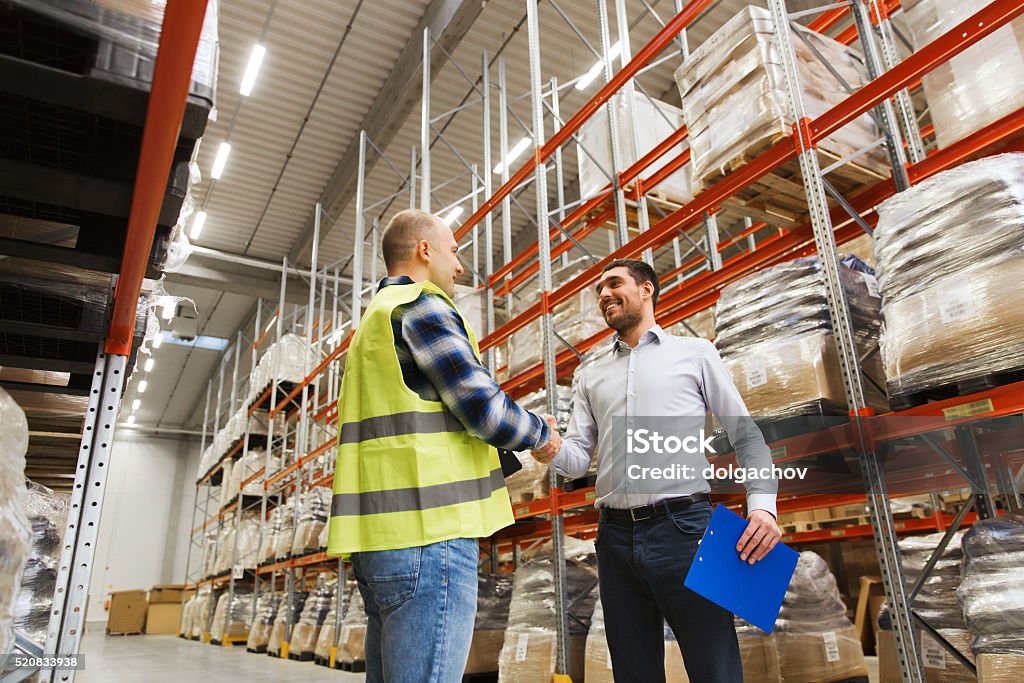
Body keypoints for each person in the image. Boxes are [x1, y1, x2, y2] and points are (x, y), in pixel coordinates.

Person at [327, 208, 561, 683]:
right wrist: (541, 434)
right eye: (454, 252)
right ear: (424, 250)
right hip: (430, 539)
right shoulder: (422, 306)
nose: (460, 267)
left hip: (380, 544)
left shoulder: (372, 323)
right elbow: (482, 408)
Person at [531, 258, 781, 683]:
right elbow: (576, 460)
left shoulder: (695, 353)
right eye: (598, 291)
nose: (604, 295)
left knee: (713, 667)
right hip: (614, 538)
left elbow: (747, 437)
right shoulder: (589, 373)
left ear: (647, 289)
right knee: (633, 671)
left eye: (614, 284)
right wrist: (546, 445)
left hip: (684, 529)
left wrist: (763, 507)